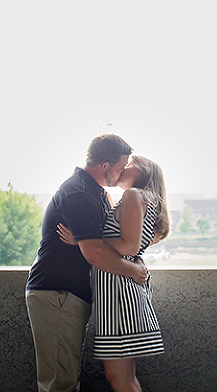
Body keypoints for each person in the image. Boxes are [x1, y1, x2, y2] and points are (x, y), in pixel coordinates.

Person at [25, 134, 149, 392]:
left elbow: (111, 239)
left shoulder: (96, 193)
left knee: (64, 376)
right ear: (105, 166)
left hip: (67, 295)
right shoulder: (78, 193)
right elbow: (94, 253)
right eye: (121, 165)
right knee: (60, 381)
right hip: (57, 294)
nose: (124, 170)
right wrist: (135, 271)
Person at [58, 155, 170, 392]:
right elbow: (138, 244)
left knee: (119, 378)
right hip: (122, 290)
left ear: (143, 172)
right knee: (125, 377)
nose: (124, 167)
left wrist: (84, 239)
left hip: (117, 293)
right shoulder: (142, 199)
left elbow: (129, 246)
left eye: (130, 164)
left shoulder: (133, 195)